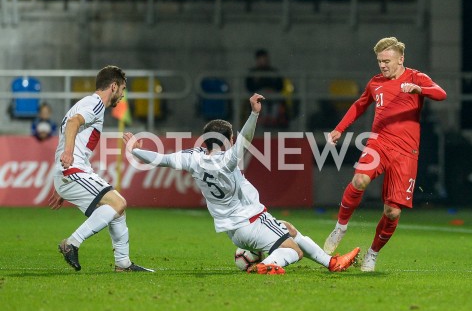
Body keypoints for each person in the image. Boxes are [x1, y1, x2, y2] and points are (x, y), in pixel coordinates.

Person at [123, 93, 360, 275]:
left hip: (232, 230)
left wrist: (135, 149)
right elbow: (245, 139)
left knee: (289, 228)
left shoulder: (193, 158)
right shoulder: (227, 160)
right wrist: (254, 114)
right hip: (252, 219)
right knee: (292, 250)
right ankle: (267, 264)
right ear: (230, 140)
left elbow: (161, 159)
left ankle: (331, 263)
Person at [323, 37, 447, 272]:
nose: (382, 65)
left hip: (406, 152)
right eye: (380, 61)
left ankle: (372, 254)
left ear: (401, 59)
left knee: (392, 211)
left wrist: (420, 89)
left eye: (387, 61)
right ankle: (340, 226)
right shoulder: (376, 82)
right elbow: (360, 105)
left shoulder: (415, 77)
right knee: (360, 179)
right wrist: (339, 128)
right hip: (379, 143)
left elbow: (441, 93)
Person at [48, 65, 153, 273]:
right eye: (122, 89)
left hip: (72, 173)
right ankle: (72, 243)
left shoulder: (88, 104)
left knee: (117, 210)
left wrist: (64, 183)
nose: (122, 95)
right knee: (118, 203)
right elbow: (72, 123)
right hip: (73, 170)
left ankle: (123, 263)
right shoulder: (95, 103)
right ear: (113, 86)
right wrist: (68, 157)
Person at [245, 49, 289, 128]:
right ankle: (264, 121)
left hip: (273, 95)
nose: (262, 62)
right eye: (260, 59)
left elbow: (280, 86)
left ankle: (273, 120)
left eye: (264, 59)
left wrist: (271, 89)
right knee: (260, 100)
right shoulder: (253, 72)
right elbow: (249, 87)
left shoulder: (273, 71)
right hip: (258, 95)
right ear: (257, 60)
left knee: (276, 99)